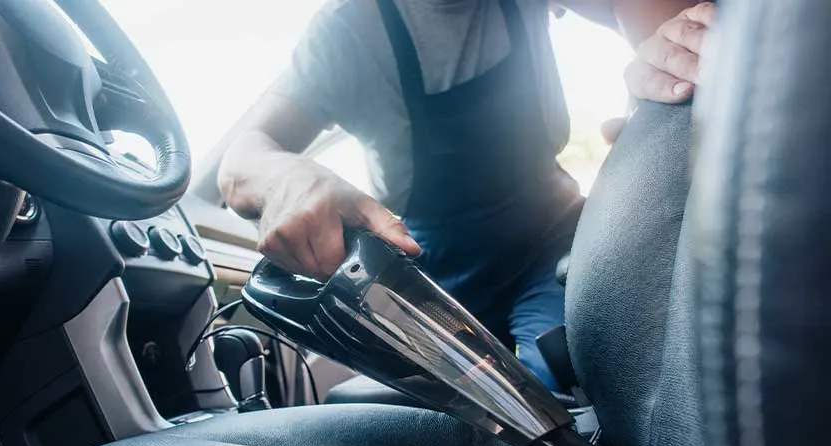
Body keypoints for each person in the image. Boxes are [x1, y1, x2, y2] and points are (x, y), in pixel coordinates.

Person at [218, 0, 715, 390]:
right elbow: (240, 162)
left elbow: (642, 11)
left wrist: (669, 47)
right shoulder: (346, 31)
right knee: (476, 421)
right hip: (441, 276)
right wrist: (288, 178)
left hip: (555, 240)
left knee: (558, 377)